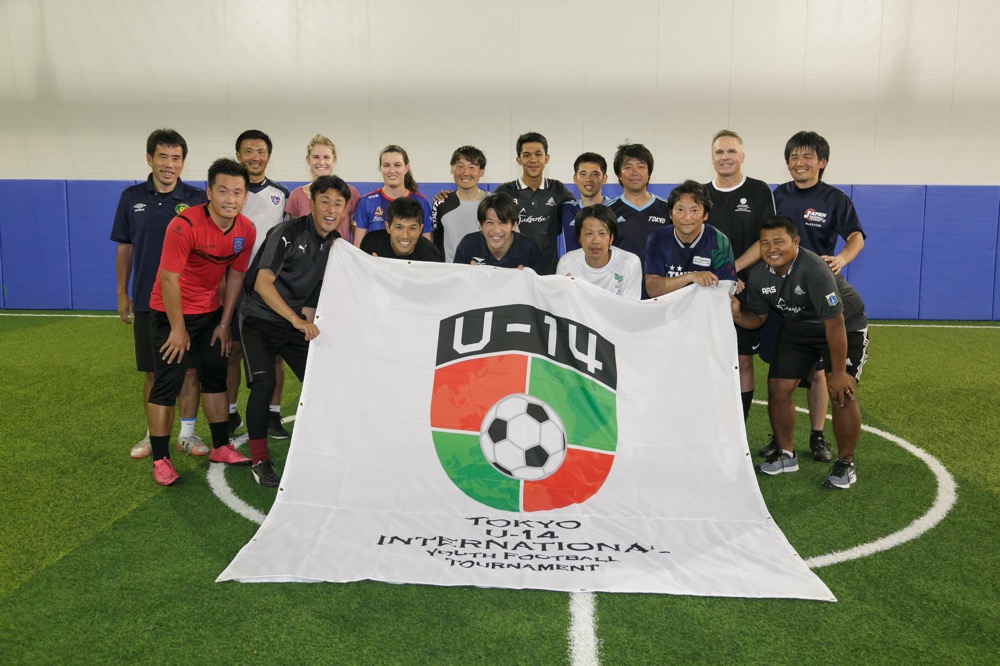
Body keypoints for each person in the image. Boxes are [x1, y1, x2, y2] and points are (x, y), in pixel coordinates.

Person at [731, 216, 868, 489]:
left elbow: (835, 323)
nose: (772, 249)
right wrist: (736, 314)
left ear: (795, 242)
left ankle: (846, 462)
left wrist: (838, 372)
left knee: (842, 391)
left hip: (844, 326)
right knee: (778, 387)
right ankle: (786, 454)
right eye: (765, 243)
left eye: (778, 242)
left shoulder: (814, 269)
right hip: (799, 328)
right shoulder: (758, 275)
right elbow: (757, 319)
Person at [145, 158, 257, 486]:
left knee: (215, 378)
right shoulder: (184, 225)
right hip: (170, 313)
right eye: (222, 191)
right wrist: (178, 329)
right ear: (208, 191)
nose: (230, 199)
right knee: (167, 383)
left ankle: (221, 446)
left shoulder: (246, 230)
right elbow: (168, 279)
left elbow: (235, 277)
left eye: (237, 192)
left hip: (210, 313)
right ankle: (160, 459)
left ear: (245, 196)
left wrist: (223, 323)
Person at [762, 131, 867, 461]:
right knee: (781, 375)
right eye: (793, 157)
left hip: (819, 295)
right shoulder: (777, 196)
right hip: (784, 298)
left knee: (821, 372)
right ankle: (781, 440)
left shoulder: (835, 199)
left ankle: (817, 436)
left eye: (807, 156)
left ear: (822, 162)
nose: (799, 162)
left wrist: (842, 259)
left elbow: (856, 236)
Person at [239, 175, 350, 486]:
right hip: (259, 317)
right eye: (325, 202)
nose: (331, 209)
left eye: (338, 204)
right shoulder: (287, 232)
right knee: (264, 384)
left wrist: (306, 323)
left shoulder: (335, 244)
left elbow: (316, 290)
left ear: (344, 210)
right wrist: (296, 320)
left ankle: (324, 448)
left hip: (293, 321)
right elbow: (262, 283)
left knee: (321, 379)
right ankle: (260, 460)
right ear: (311, 204)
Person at [110, 129, 208, 459]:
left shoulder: (197, 199)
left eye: (176, 158)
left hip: (188, 303)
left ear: (183, 163)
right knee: (154, 373)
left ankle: (187, 435)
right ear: (149, 158)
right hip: (147, 302)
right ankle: (154, 435)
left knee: (190, 372)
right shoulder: (131, 197)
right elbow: (125, 249)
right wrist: (122, 293)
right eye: (163, 157)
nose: (169, 164)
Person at [705, 129, 776, 421]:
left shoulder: (759, 190)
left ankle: (739, 427)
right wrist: (720, 276)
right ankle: (710, 423)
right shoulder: (702, 194)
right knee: (708, 359)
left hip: (746, 288)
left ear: (742, 156)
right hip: (707, 287)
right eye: (719, 152)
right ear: (712, 158)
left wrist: (731, 271)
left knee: (743, 360)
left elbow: (766, 240)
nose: (725, 157)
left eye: (731, 151)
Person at [229, 130, 292, 440]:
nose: (255, 157)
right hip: (232, 282)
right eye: (249, 151)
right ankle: (230, 414)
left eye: (261, 151)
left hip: (269, 286)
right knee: (231, 350)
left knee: (274, 354)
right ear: (238, 155)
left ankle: (273, 414)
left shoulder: (281, 194)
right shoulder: (229, 192)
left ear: (268, 156)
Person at [493, 132, 573, 275]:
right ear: (518, 160)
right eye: (526, 155)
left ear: (546, 158)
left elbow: (579, 213)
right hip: (513, 272)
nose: (533, 160)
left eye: (538, 154)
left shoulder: (558, 190)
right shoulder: (504, 192)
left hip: (548, 273)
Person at [644, 180, 737, 297]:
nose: (687, 217)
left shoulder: (719, 241)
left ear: (705, 215)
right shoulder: (658, 237)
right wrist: (690, 277)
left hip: (704, 306)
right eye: (680, 210)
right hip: (668, 307)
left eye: (694, 210)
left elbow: (725, 290)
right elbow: (653, 289)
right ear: (670, 214)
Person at [606, 143, 671, 275]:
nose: (635, 172)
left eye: (641, 167)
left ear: (649, 173)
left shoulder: (668, 209)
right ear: (619, 174)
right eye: (628, 167)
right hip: (619, 283)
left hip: (660, 283)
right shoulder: (607, 211)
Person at [285, 134, 361, 242]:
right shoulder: (296, 196)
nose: (321, 162)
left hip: (339, 252)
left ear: (334, 160)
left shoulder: (350, 193)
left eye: (326, 157)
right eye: (316, 157)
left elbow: (357, 237)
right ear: (308, 160)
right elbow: (295, 237)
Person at [555, 204, 641, 299]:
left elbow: (630, 306)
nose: (595, 241)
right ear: (579, 238)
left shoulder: (629, 263)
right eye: (589, 233)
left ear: (611, 238)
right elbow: (560, 304)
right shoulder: (567, 263)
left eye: (602, 233)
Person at [353, 145, 433, 246]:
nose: (391, 171)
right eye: (386, 165)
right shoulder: (366, 202)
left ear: (406, 168)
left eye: (397, 165)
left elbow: (428, 247)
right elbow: (358, 248)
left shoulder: (421, 202)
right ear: (380, 168)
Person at [453, 192, 541, 270]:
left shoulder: (529, 249)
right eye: (489, 223)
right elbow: (457, 281)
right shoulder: (468, 245)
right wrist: (469, 276)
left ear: (514, 225)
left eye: (502, 223)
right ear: (480, 225)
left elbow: (538, 282)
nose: (496, 230)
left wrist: (525, 279)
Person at [431, 146, 488, 262]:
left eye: (472, 167)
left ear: (481, 171)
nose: (465, 172)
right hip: (452, 272)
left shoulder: (494, 203)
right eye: (460, 166)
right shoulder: (441, 204)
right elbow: (436, 243)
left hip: (485, 271)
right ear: (452, 169)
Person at [558, 152, 611, 253]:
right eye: (583, 174)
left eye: (595, 174)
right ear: (575, 178)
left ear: (604, 178)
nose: (588, 179)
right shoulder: (565, 209)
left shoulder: (615, 208)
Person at [361, 197, 444, 262]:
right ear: (388, 227)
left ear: (420, 229)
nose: (405, 236)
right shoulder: (371, 244)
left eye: (412, 228)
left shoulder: (432, 256)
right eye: (399, 228)